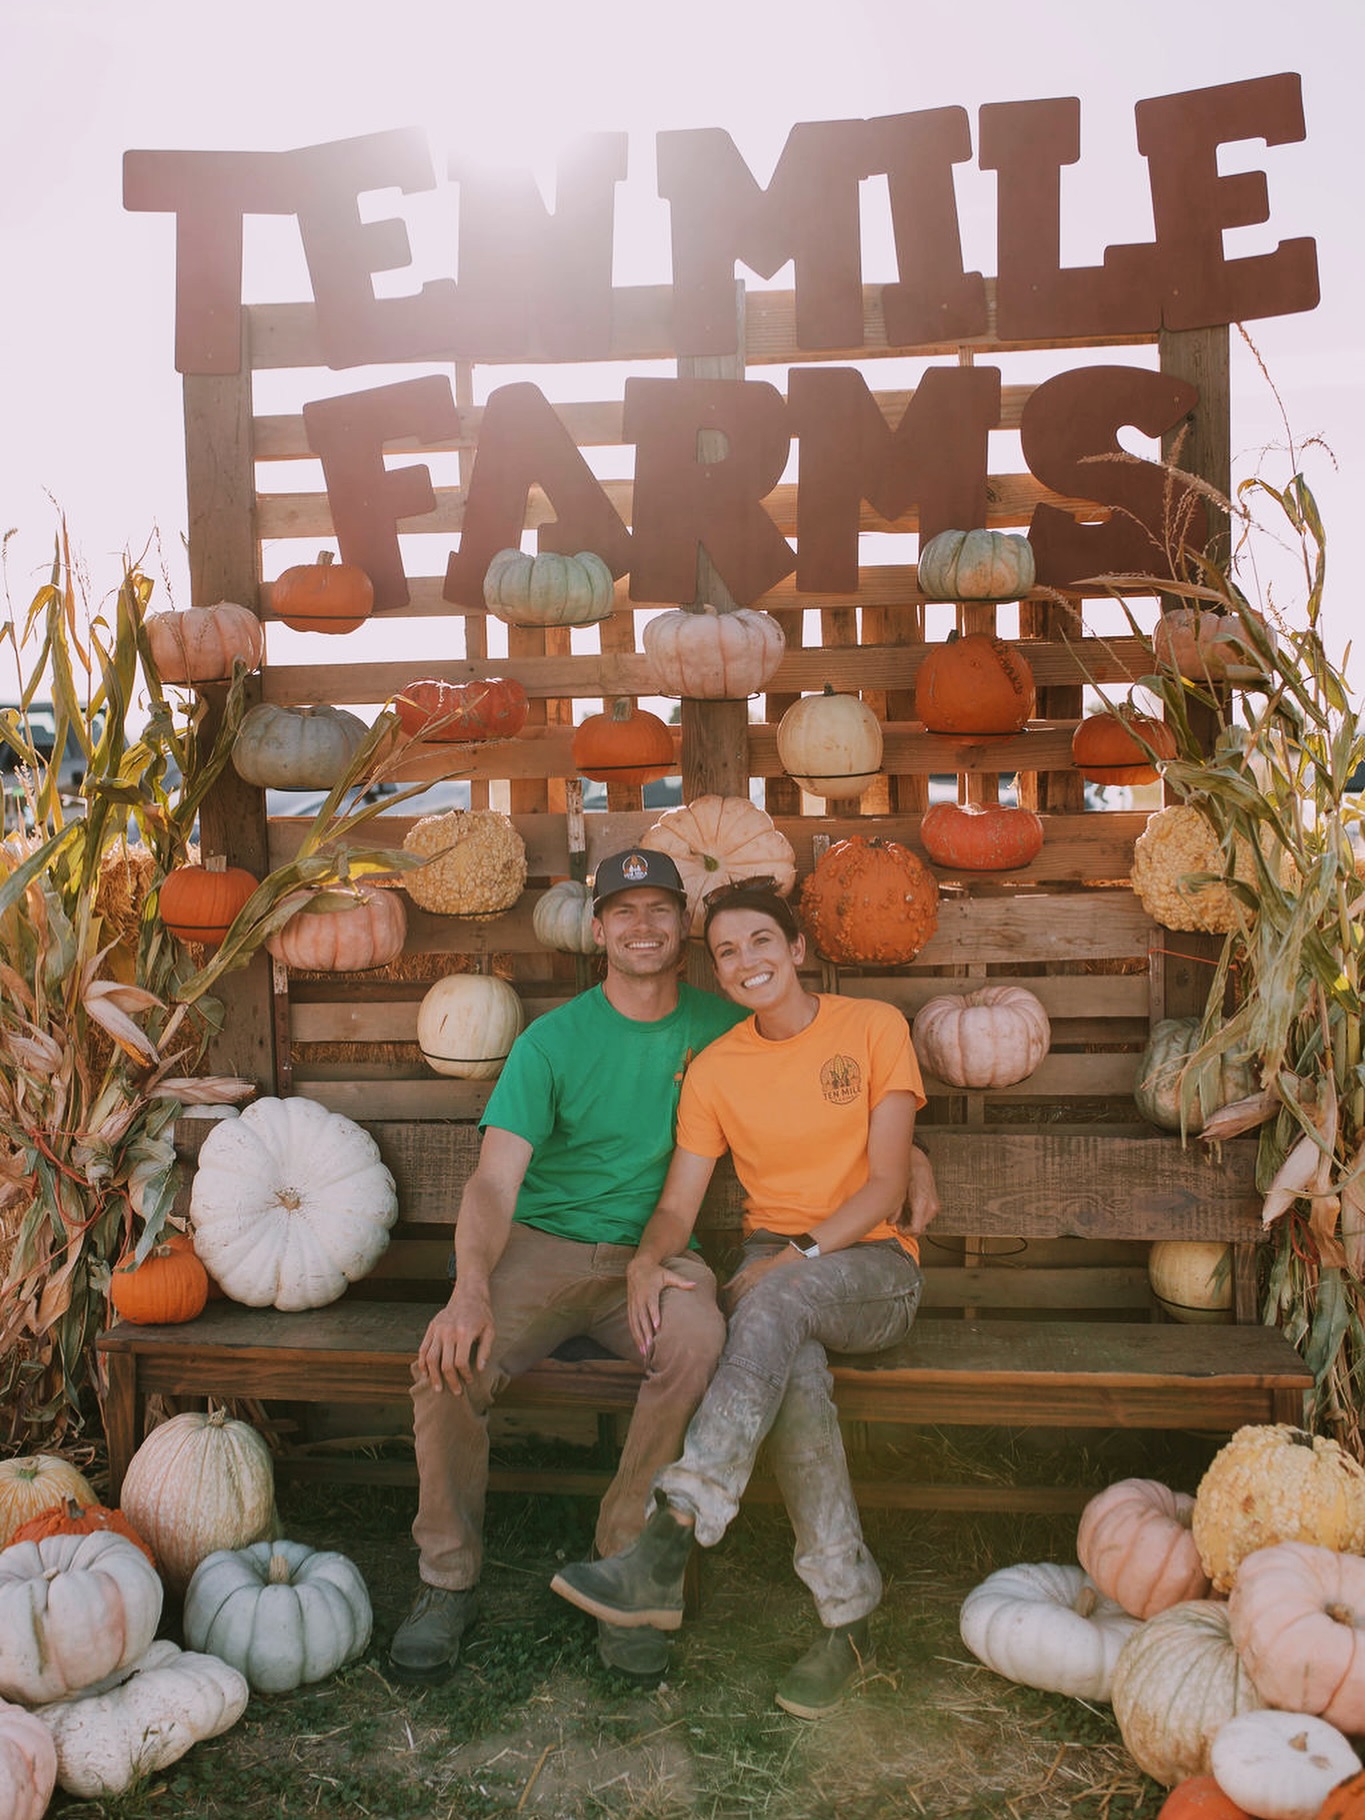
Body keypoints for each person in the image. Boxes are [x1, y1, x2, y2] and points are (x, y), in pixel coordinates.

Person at [550, 881, 933, 1719]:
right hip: (778, 1279)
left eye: (762, 941)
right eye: (726, 951)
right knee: (790, 1367)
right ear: (717, 972)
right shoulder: (717, 1067)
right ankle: (845, 1615)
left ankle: (672, 1532)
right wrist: (649, 1258)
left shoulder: (872, 1029)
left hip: (871, 1267)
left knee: (771, 1301)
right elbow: (680, 1203)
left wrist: (794, 1255)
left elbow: (887, 1184)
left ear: (796, 950)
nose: (746, 961)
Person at [389, 847, 746, 1688]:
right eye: (624, 911)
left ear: (684, 925)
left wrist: (904, 1155)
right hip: (540, 1249)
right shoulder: (551, 1041)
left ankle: (625, 1569)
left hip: (658, 1256)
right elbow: (493, 1180)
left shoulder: (724, 1026)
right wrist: (467, 1292)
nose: (643, 925)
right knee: (445, 1366)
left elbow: (817, 1080)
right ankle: (445, 1579)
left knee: (697, 1346)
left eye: (660, 909)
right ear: (597, 931)